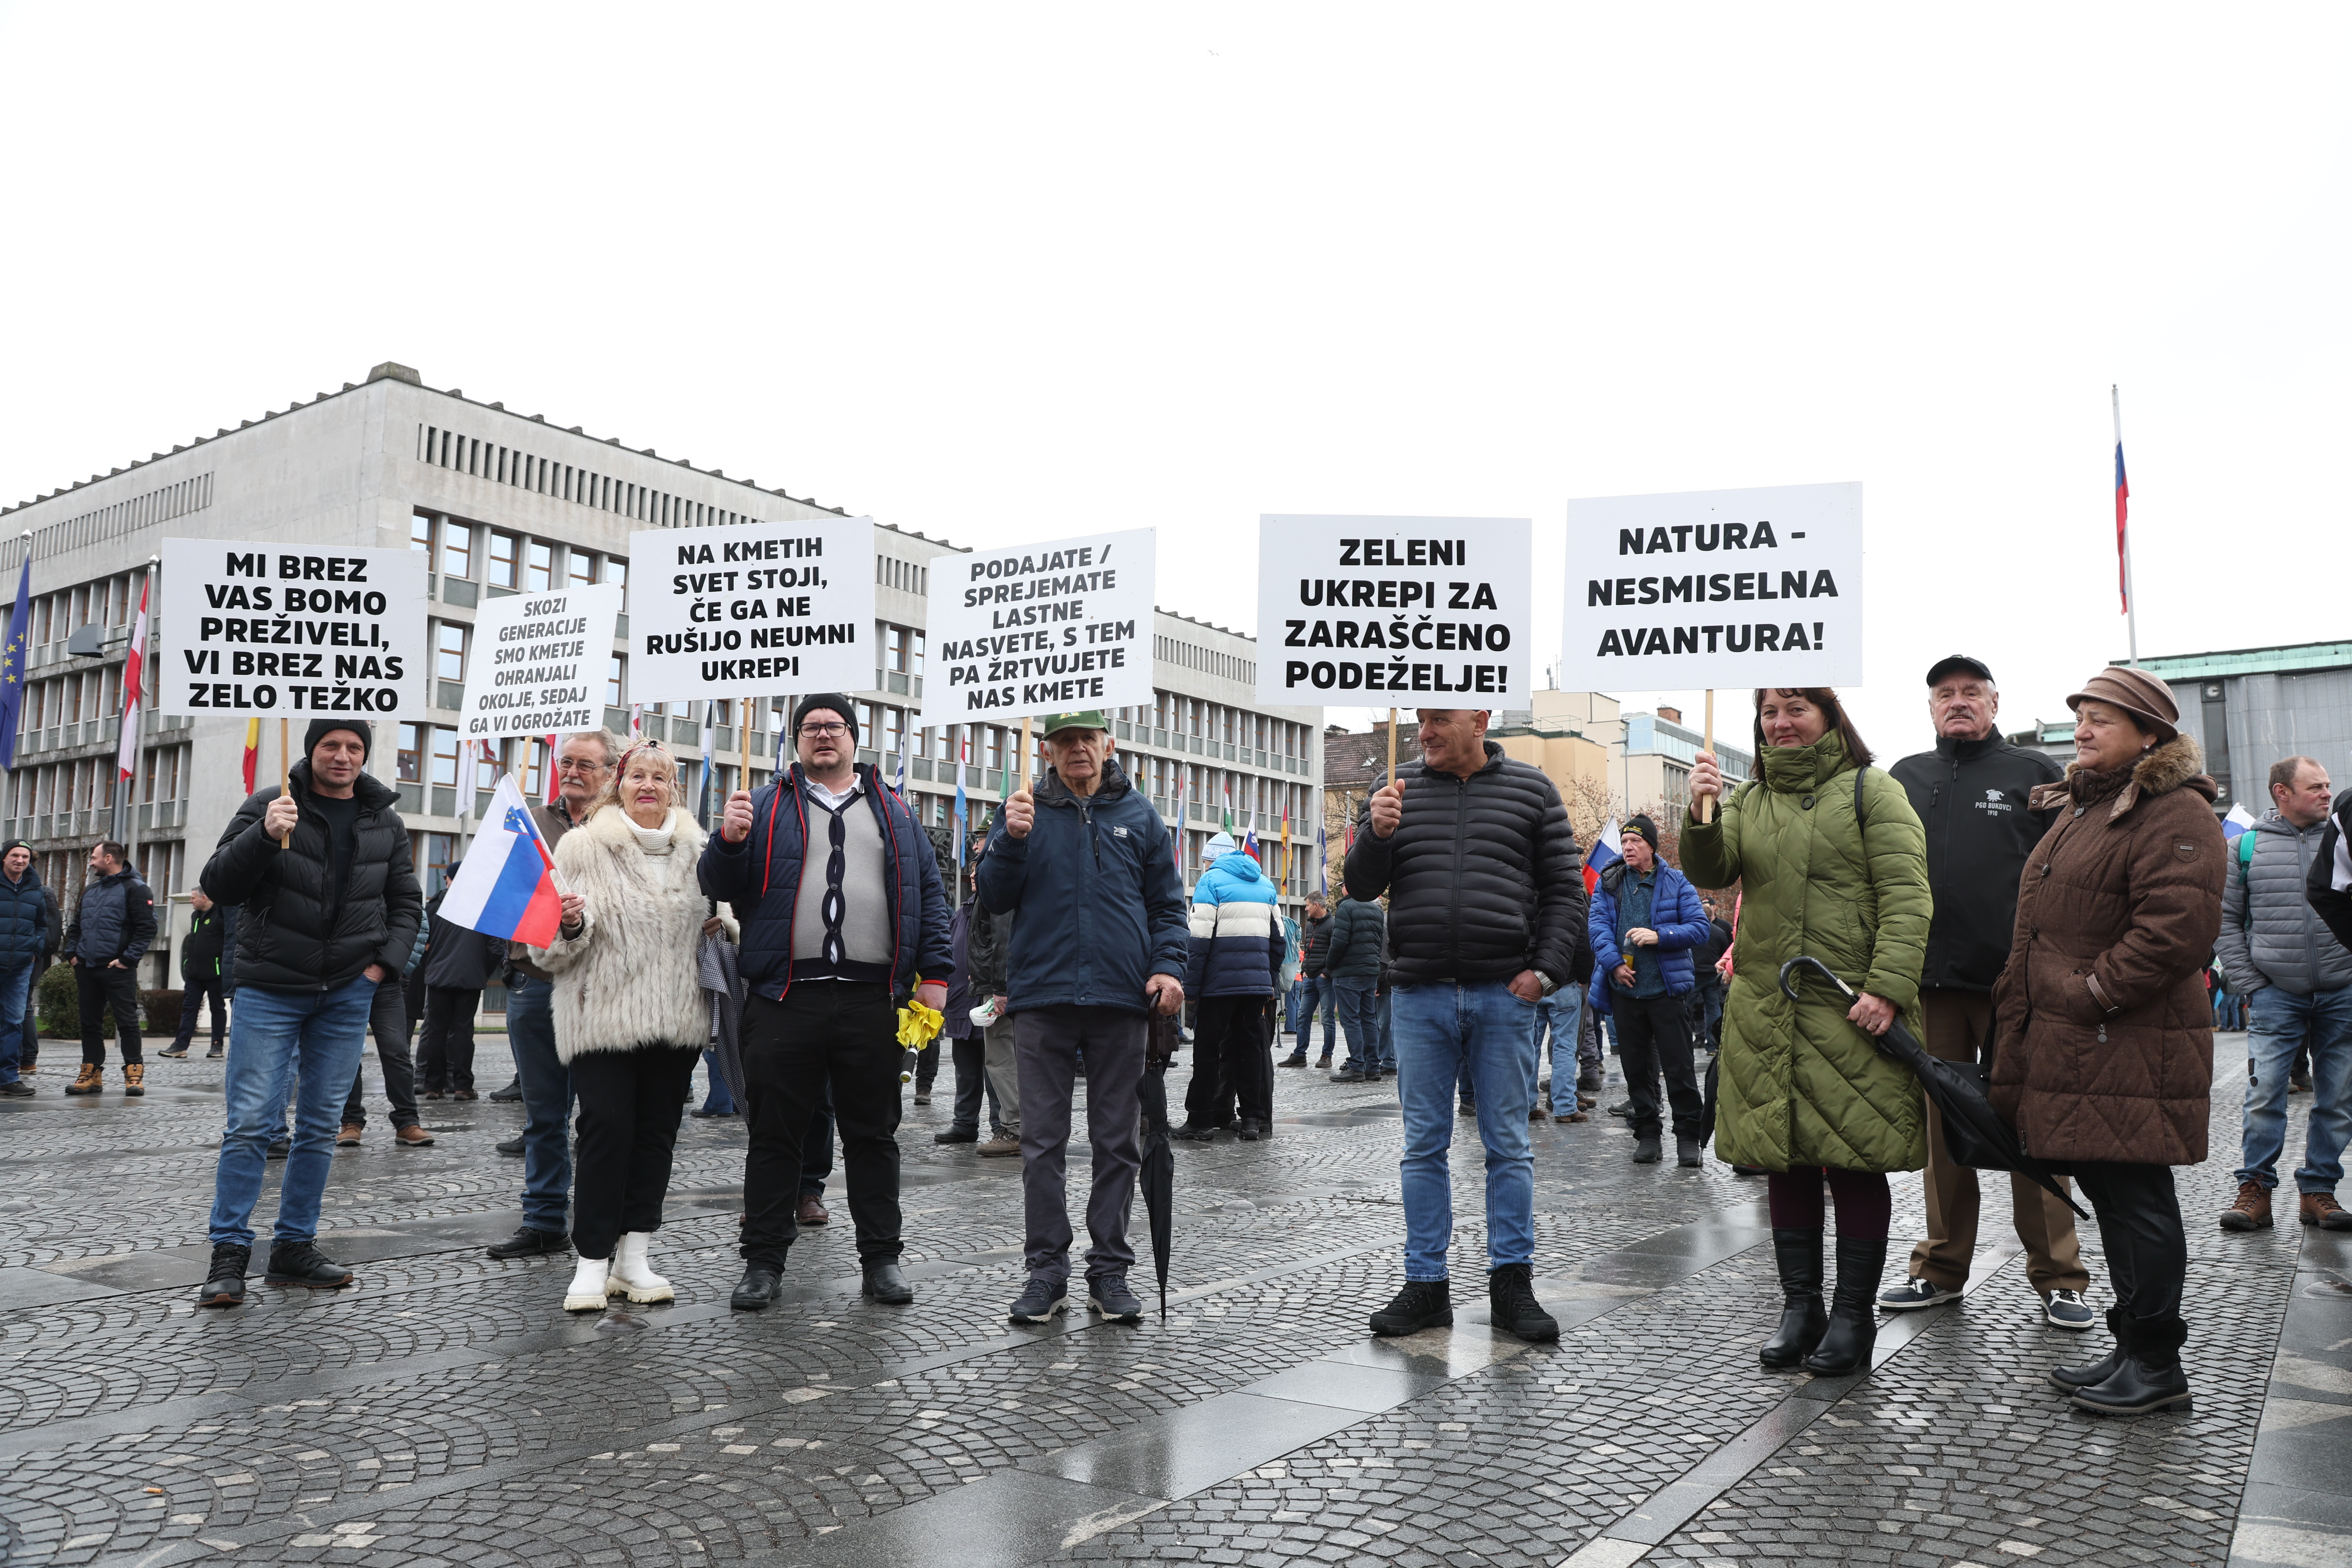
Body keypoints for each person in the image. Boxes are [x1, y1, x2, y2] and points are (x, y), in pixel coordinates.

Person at [1990, 668, 2223, 1416]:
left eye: (2102, 720)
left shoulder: (2175, 811)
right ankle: (2132, 1347)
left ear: (2149, 735)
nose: (2083, 730)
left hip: (2129, 1042)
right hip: (2085, 1044)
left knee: (2139, 1200)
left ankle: (2158, 1365)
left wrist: (2091, 994)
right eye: (2081, 717)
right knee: (2115, 1199)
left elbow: (2174, 934)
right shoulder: (2089, 807)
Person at [1682, 688, 1931, 1376]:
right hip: (1768, 1005)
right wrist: (1701, 809)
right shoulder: (1748, 800)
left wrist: (1888, 988)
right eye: (1769, 712)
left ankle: (1852, 1318)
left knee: (1852, 1156)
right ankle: (1801, 1308)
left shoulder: (1872, 791)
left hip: (1849, 1005)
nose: (1781, 723)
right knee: (1782, 1156)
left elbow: (1908, 895)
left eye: (1796, 708)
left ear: (1828, 716)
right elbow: (1712, 871)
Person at [703, 695, 951, 1312]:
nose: (822, 737)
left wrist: (937, 974)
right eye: (809, 728)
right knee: (774, 1136)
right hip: (786, 998)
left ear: (854, 739)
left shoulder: (896, 813)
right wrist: (730, 842)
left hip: (871, 1001)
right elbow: (717, 886)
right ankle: (763, 1263)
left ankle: (882, 1260)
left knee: (874, 1135)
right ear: (796, 741)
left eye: (833, 728)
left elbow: (929, 895)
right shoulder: (759, 806)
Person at [1347, 707, 1585, 1344]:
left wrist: (1546, 972)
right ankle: (1426, 1285)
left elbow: (1566, 890)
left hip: (1503, 994)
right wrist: (1374, 833)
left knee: (1508, 1145)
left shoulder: (1532, 790)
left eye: (1438, 721)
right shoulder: (1393, 789)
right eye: (1420, 719)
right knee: (1423, 1146)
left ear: (1479, 719)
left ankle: (1512, 1285)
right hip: (1419, 995)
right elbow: (1360, 886)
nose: (1423, 733)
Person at [1882, 655, 2092, 1328]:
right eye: (1946, 694)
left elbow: (2073, 868)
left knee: (2035, 1128)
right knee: (1943, 1133)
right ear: (1932, 707)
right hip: (1928, 983)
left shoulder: (2036, 775)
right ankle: (1940, 1268)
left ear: (1995, 704)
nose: (1959, 702)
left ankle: (2061, 1278)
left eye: (1972, 692)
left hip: (2017, 987)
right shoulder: (1903, 779)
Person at [194, 719, 423, 1306]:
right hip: (271, 987)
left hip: (347, 992)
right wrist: (265, 837)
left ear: (364, 756)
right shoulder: (272, 803)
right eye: (331, 746)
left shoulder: (385, 821)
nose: (342, 756)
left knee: (320, 1126)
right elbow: (219, 883)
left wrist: (381, 969)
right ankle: (229, 1254)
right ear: (311, 750)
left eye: (353, 747)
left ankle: (294, 1248)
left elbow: (406, 904)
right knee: (250, 1123)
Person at [978, 710, 1187, 1326]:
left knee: (1117, 1143)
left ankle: (1110, 1272)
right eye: (1065, 742)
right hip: (1043, 1000)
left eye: (1086, 741)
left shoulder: (1140, 816)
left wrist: (1170, 969)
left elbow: (1168, 906)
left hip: (1121, 1001)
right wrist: (1010, 843)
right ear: (1046, 751)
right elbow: (992, 896)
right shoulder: (1021, 809)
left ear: (1108, 746)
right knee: (1041, 1144)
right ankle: (1047, 1271)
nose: (1077, 752)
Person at [525, 740, 725, 1310]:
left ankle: (635, 1256)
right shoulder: (583, 847)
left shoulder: (701, 852)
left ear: (674, 790)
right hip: (604, 1017)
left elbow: (726, 921)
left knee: (657, 1135)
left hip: (678, 1017)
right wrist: (568, 926)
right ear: (619, 783)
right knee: (607, 1129)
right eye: (638, 775)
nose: (648, 787)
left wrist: (724, 930)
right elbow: (542, 951)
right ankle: (591, 1260)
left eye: (660, 779)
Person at [486, 730, 617, 1261]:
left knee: (603, 1116)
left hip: (600, 987)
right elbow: (498, 895)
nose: (574, 771)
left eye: (587, 764)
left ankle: (602, 1225)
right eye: (567, 762)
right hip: (535, 984)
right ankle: (543, 1220)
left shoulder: (621, 828)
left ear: (610, 771)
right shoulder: (529, 823)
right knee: (544, 1115)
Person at [2218, 757, 2352, 1233]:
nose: (2326, 793)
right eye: (2314, 787)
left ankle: (2318, 1191)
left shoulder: (2345, 840)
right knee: (2265, 1094)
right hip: (2277, 993)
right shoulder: (2245, 848)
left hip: (2343, 991)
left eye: (2328, 786)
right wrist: (2254, 984)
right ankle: (2255, 1189)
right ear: (2282, 793)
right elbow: (2226, 922)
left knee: (2337, 1098)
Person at [1588, 815, 1711, 1167]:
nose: (1628, 847)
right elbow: (1597, 927)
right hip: (1625, 992)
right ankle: (1647, 1135)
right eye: (1625, 842)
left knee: (1680, 1069)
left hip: (1667, 992)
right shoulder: (1609, 882)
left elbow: (1699, 929)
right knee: (1636, 1069)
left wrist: (1660, 937)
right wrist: (1613, 963)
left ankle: (1689, 1138)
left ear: (1652, 847)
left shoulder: (1676, 881)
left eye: (1636, 842)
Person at [1176, 832, 1285, 1139]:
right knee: (1249, 1050)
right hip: (1255, 987)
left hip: (1217, 987)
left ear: (1212, 860)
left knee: (1207, 1052)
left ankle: (1201, 1120)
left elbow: (1198, 942)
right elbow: (1279, 941)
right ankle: (1252, 1119)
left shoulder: (1210, 883)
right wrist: (1267, 977)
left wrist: (1192, 989)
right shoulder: (1265, 884)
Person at [62, 840, 155, 1097]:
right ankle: (91, 1075)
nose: (90, 862)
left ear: (109, 859)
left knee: (127, 1023)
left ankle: (134, 1075)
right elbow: (75, 927)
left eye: (94, 858)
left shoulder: (137, 889)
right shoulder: (90, 891)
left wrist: (127, 959)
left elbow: (147, 929)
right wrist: (72, 955)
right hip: (87, 968)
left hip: (118, 969)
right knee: (89, 1024)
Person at [339, 915, 432, 1147]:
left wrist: (395, 965)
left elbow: (415, 923)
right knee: (347, 1054)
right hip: (344, 978)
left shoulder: (392, 879)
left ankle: (407, 1122)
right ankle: (351, 1122)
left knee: (397, 1051)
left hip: (386, 980)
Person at [414, 873, 503, 1101]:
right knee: (463, 1032)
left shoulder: (438, 906)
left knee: (435, 1032)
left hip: (438, 977)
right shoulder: (484, 908)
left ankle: (433, 1086)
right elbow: (495, 948)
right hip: (470, 979)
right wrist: (481, 971)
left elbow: (422, 938)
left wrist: (429, 967)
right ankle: (463, 1086)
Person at [0, 840, 49, 1096]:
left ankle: (8, 1078)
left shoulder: (35, 890)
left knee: (14, 1022)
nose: (20, 860)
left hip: (20, 967)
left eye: (25, 856)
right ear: (4, 858)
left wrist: (35, 950)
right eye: (15, 855)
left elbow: (42, 925)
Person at [1324, 882, 1386, 1085]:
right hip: (1370, 971)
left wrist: (1329, 966)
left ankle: (1356, 1066)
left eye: (1343, 885)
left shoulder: (1346, 907)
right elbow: (1379, 942)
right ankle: (1373, 1067)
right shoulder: (1376, 909)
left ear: (1349, 888)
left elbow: (1339, 942)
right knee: (1369, 1019)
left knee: (1351, 1020)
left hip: (1348, 972)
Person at [158, 889, 229, 1061]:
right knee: (189, 1009)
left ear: (204, 898)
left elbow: (229, 943)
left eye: (193, 898)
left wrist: (223, 966)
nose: (191, 901)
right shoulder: (195, 916)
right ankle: (180, 1046)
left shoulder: (222, 915)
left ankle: (217, 1045)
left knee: (217, 1009)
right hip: (194, 974)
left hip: (215, 974)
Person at [1281, 892, 1336, 1068]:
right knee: (1303, 1016)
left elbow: (1337, 951)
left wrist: (1326, 973)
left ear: (1317, 906)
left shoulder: (1333, 924)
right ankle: (1300, 1055)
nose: (1306, 909)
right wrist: (1304, 970)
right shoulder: (1312, 926)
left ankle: (1327, 1056)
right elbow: (1308, 951)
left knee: (1327, 1018)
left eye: (1308, 905)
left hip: (1325, 979)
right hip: (1309, 978)